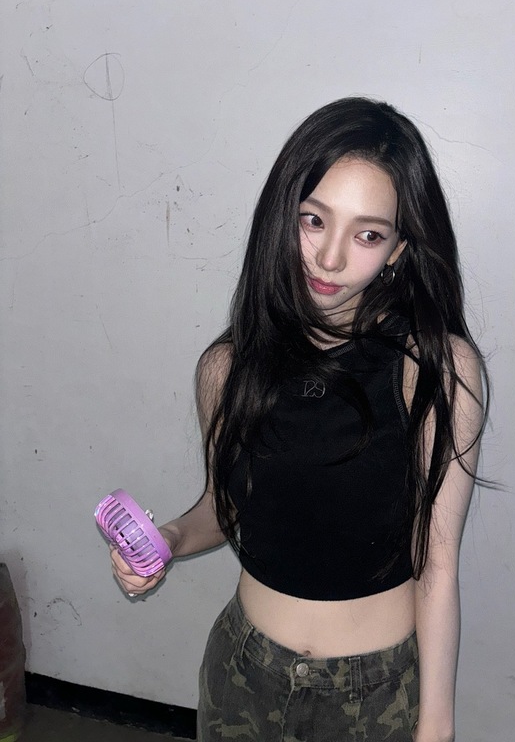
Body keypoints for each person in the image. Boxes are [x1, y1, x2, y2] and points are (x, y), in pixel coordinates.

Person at [110, 97, 487, 742]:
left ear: (399, 249)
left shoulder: (435, 369)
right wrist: (167, 538)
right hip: (242, 676)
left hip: (376, 694)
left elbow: (438, 563)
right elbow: (226, 507)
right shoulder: (227, 367)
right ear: (282, 215)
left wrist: (436, 725)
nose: (331, 258)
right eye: (313, 220)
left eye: (368, 234)